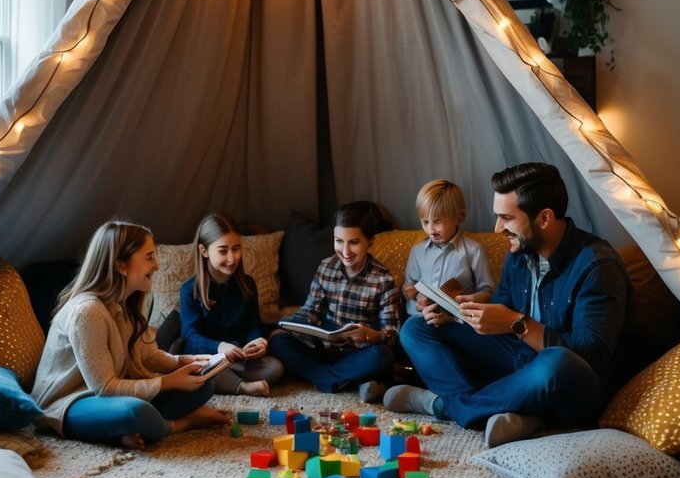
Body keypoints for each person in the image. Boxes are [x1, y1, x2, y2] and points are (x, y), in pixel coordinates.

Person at [384, 163, 632, 448]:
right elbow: (501, 310)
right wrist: (458, 312)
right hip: (518, 361)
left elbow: (592, 358)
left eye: (506, 218)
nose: (497, 228)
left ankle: (443, 406)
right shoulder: (521, 251)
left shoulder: (597, 266)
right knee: (417, 328)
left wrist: (516, 323)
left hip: (568, 380)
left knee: (556, 360)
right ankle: (508, 410)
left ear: (545, 218)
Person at [32, 220, 232, 447]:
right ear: (121, 266)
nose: (156, 265)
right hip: (69, 402)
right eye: (149, 257)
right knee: (136, 411)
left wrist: (180, 362)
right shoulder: (87, 312)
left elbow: (146, 355)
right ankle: (178, 425)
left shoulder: (126, 303)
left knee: (202, 384)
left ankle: (126, 430)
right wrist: (167, 382)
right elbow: (105, 388)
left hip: (107, 397)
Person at [269, 201, 399, 402]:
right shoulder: (326, 267)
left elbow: (392, 333)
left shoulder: (383, 278)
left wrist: (371, 335)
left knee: (383, 357)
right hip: (322, 348)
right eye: (339, 241)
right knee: (278, 341)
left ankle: (323, 377)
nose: (345, 250)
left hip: (358, 352)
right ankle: (338, 379)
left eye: (354, 242)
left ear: (370, 241)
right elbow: (309, 312)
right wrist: (285, 326)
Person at [179, 213, 285, 397]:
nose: (232, 258)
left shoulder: (247, 284)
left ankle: (231, 380)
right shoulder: (190, 290)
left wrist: (257, 341)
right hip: (208, 358)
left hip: (239, 358)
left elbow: (253, 325)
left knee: (275, 368)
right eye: (223, 251)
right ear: (204, 251)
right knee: (198, 370)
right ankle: (242, 387)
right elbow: (190, 336)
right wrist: (219, 347)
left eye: (236, 248)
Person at [400, 179, 495, 320]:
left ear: (459, 217)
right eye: (425, 222)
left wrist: (463, 301)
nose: (431, 230)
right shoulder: (417, 251)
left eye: (437, 221)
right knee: (410, 329)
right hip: (420, 318)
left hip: (456, 319)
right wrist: (416, 295)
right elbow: (408, 286)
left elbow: (488, 292)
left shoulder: (473, 251)